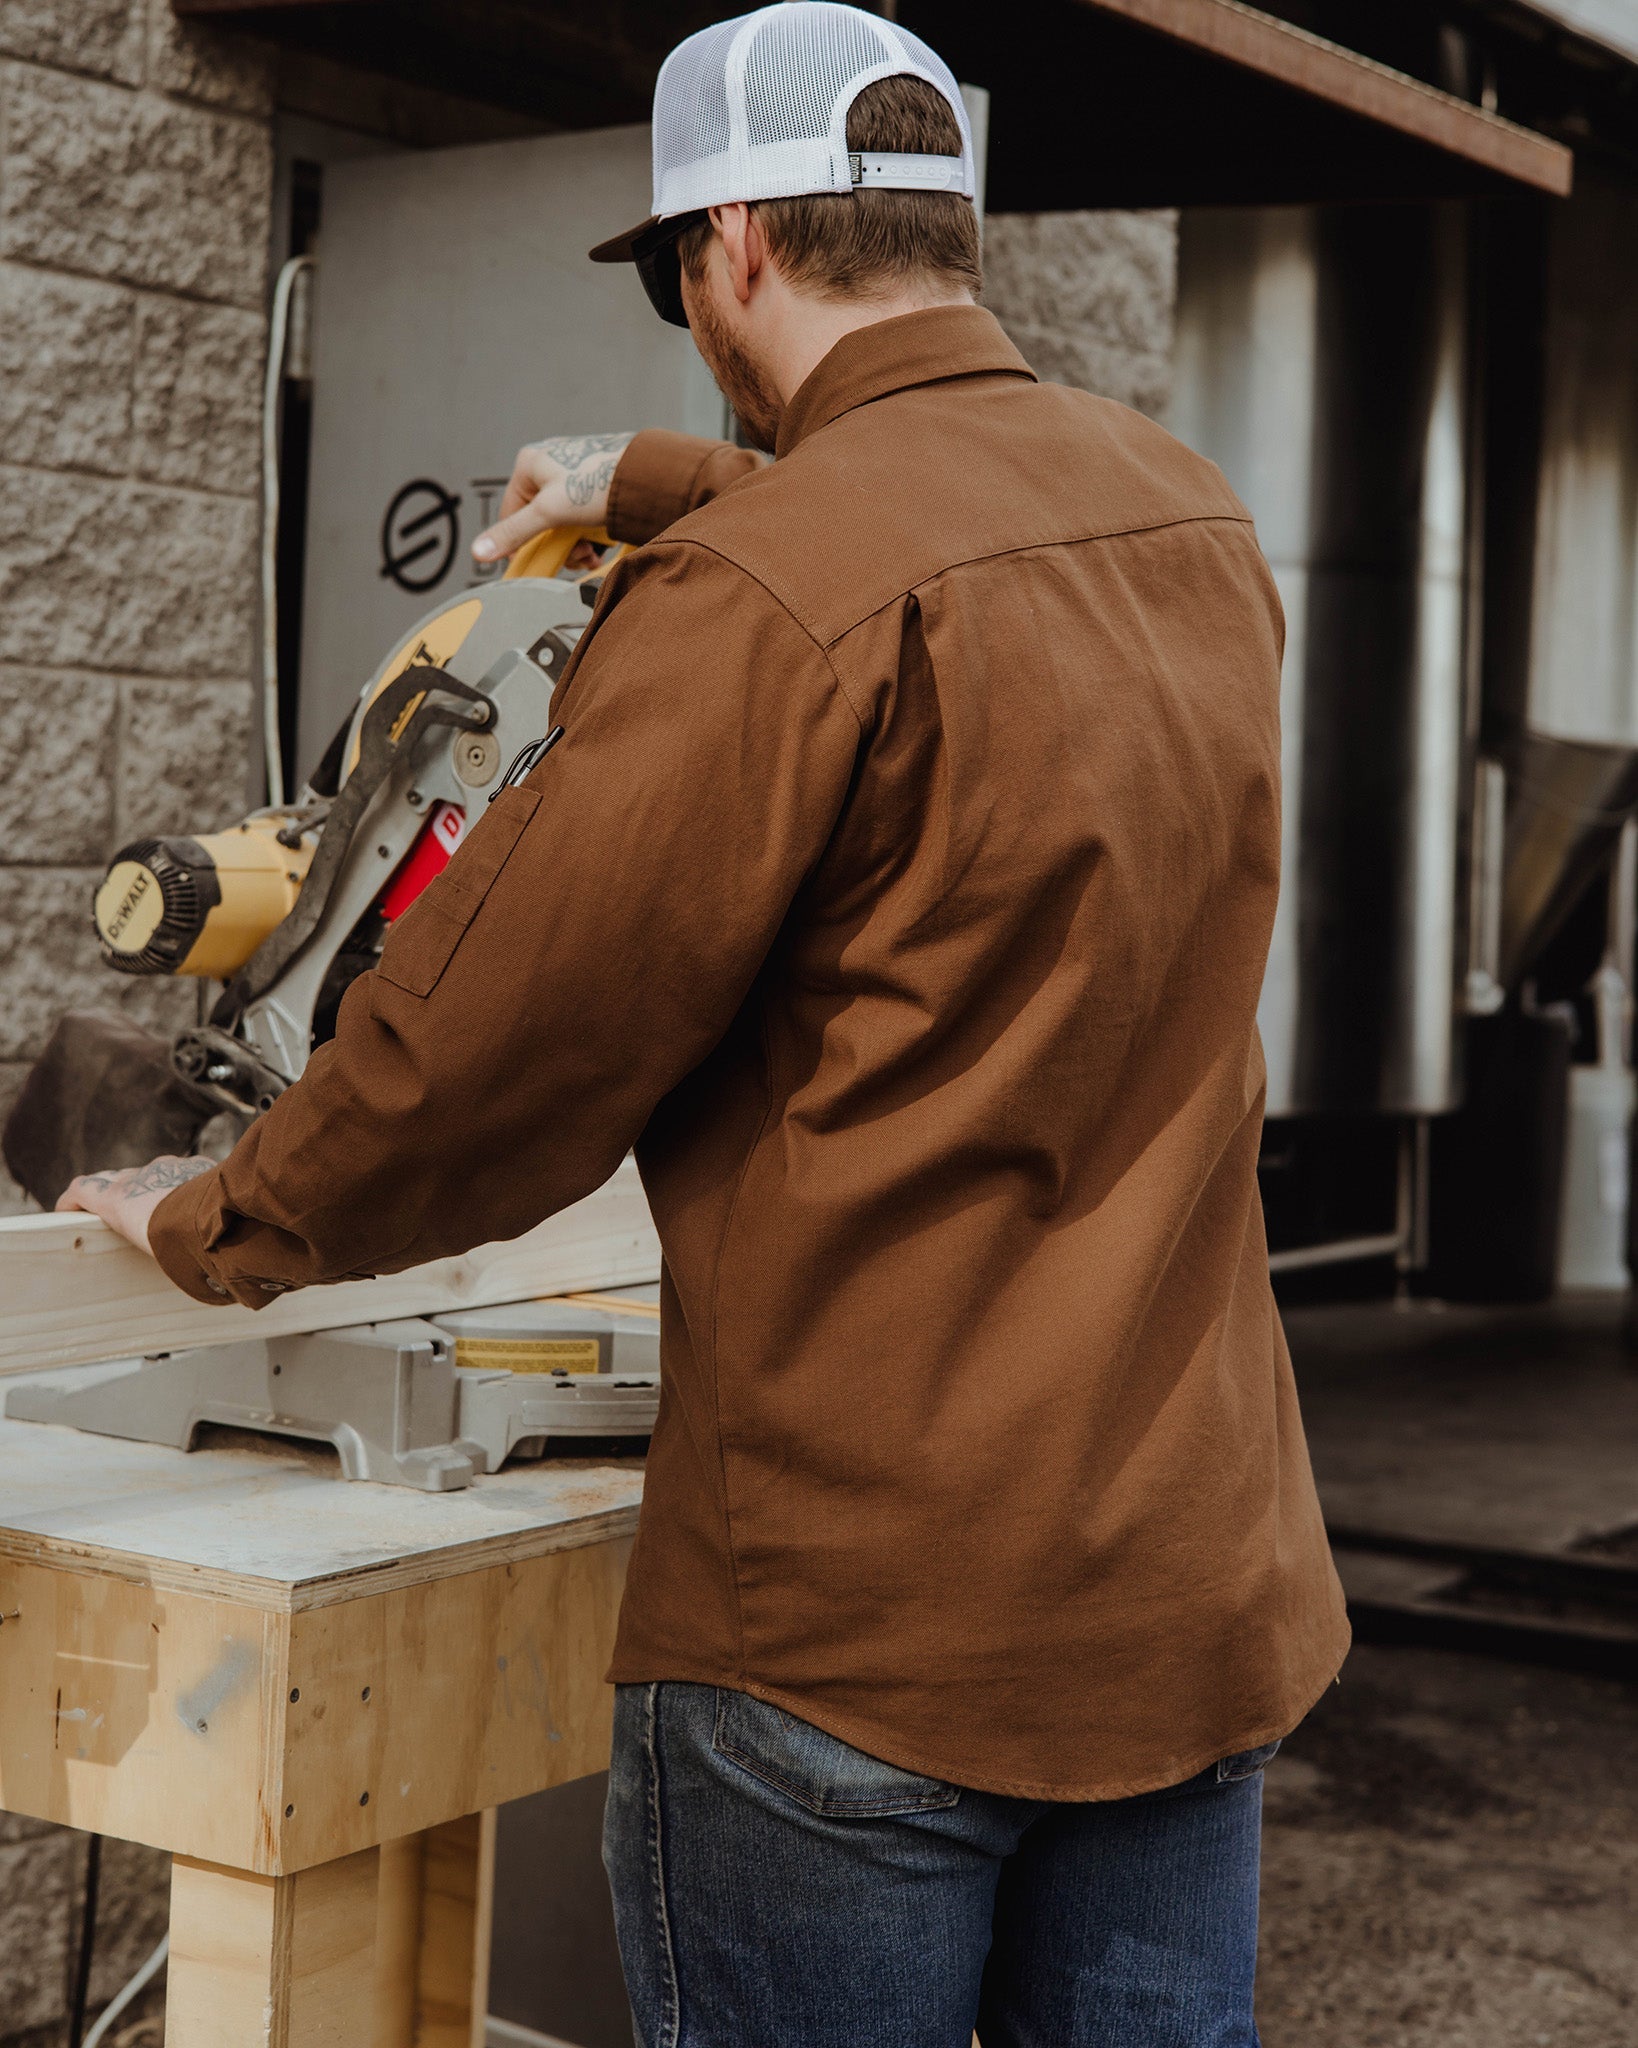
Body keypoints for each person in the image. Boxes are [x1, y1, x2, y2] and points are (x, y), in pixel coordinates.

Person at [62, 7, 1349, 2042]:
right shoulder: (1186, 522)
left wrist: (220, 1216)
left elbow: (497, 1054)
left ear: (732, 243)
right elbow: (932, 544)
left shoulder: (761, 591)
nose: (687, 322)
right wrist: (650, 482)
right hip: (1184, 1595)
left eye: (675, 276)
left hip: (862, 1642)